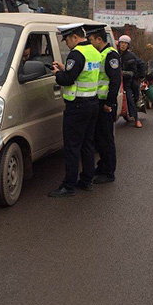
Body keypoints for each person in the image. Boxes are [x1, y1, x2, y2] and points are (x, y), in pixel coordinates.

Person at [48, 23, 101, 198]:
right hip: (92, 103)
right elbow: (82, 73)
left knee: (72, 146)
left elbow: (68, 80)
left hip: (77, 106)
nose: (66, 44)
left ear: (75, 37)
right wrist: (65, 68)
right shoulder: (94, 51)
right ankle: (87, 180)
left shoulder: (76, 54)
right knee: (87, 144)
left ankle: (68, 185)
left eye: (67, 40)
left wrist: (57, 73)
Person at [86, 25, 122, 184]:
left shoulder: (110, 55)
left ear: (99, 39)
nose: (89, 42)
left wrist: (109, 102)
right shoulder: (98, 54)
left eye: (91, 39)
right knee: (99, 137)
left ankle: (109, 172)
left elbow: (115, 81)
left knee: (106, 138)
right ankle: (102, 166)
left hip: (106, 104)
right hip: (97, 102)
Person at [118, 35, 142, 128]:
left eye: (125, 43)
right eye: (122, 43)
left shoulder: (131, 56)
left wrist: (122, 73)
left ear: (128, 45)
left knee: (129, 99)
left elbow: (133, 72)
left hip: (127, 82)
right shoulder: (115, 54)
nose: (123, 45)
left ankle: (136, 119)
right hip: (116, 82)